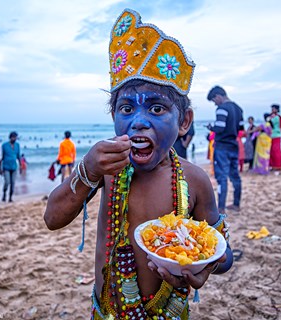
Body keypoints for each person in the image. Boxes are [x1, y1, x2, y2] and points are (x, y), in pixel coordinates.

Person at [44, 9, 232, 320]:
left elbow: (222, 255)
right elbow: (52, 218)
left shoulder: (195, 180)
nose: (138, 122)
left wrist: (204, 267)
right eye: (126, 108)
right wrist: (88, 170)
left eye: (157, 108)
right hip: (107, 313)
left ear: (184, 121)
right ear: (113, 115)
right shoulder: (105, 171)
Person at [206, 85, 244, 213]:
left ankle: (221, 208)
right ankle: (236, 204)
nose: (215, 104)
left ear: (218, 96)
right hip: (233, 145)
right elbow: (241, 129)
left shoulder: (222, 108)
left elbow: (220, 127)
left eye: (213, 101)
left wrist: (211, 127)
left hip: (222, 146)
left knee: (222, 177)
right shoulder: (239, 109)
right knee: (235, 176)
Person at [0, 131, 21, 202]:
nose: (14, 139)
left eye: (15, 137)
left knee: (13, 183)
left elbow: (18, 156)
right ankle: (4, 193)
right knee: (7, 182)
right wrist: (0, 168)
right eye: (13, 137)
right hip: (6, 167)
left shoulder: (17, 145)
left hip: (14, 167)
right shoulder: (4, 145)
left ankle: (10, 197)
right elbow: (1, 157)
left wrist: (21, 166)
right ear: (10, 137)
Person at [269, 104, 281, 171]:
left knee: (276, 150)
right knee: (271, 151)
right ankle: (272, 165)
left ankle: (278, 165)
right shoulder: (272, 116)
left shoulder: (277, 117)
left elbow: (271, 123)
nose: (272, 110)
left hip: (276, 135)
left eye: (274, 108)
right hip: (271, 135)